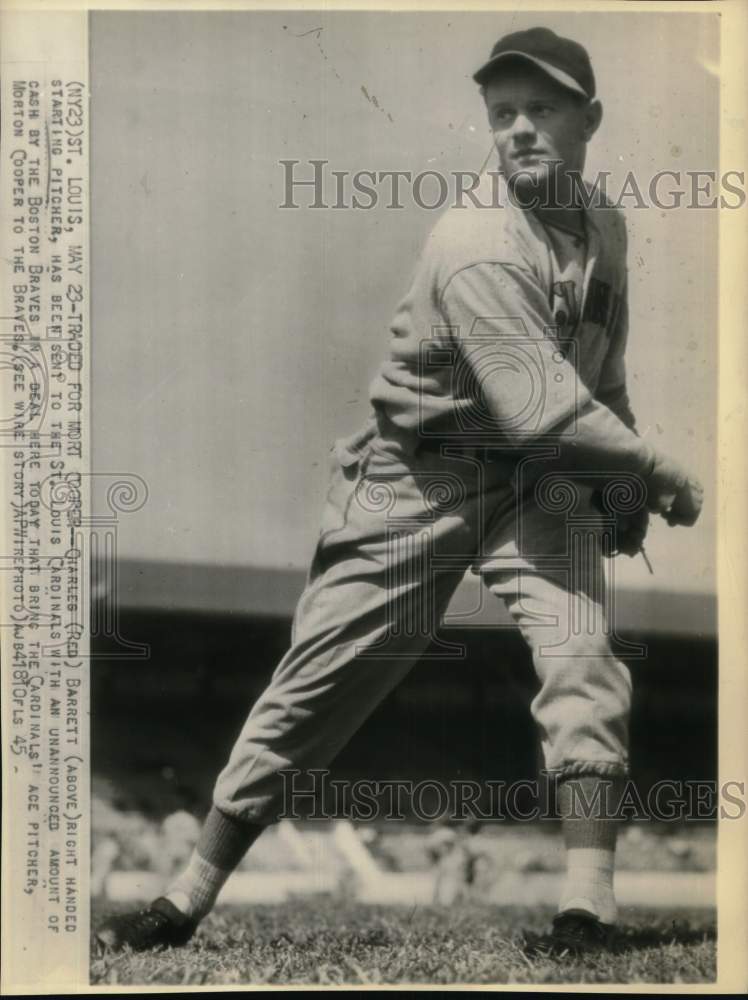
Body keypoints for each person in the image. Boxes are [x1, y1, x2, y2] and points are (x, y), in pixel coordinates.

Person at [96, 26, 703, 955]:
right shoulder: (474, 238)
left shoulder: (607, 230)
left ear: (591, 119)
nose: (520, 130)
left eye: (542, 109)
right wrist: (652, 469)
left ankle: (589, 909)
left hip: (536, 478)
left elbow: (599, 381)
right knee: (318, 685)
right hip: (420, 475)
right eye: (502, 113)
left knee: (586, 659)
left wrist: (614, 486)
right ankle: (183, 896)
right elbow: (544, 409)